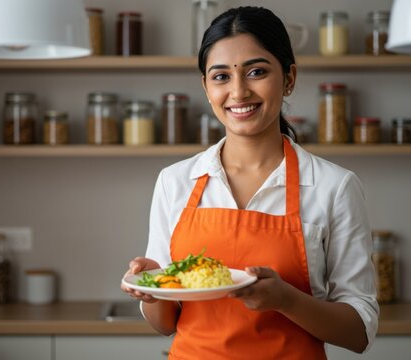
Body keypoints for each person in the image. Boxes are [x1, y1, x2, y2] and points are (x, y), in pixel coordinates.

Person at [121, 6, 378, 359]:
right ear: (206, 88)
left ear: (289, 78)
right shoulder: (175, 181)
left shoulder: (334, 187)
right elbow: (165, 324)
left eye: (256, 71)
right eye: (221, 76)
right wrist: (152, 289)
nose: (239, 92)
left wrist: (286, 299)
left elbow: (359, 332)